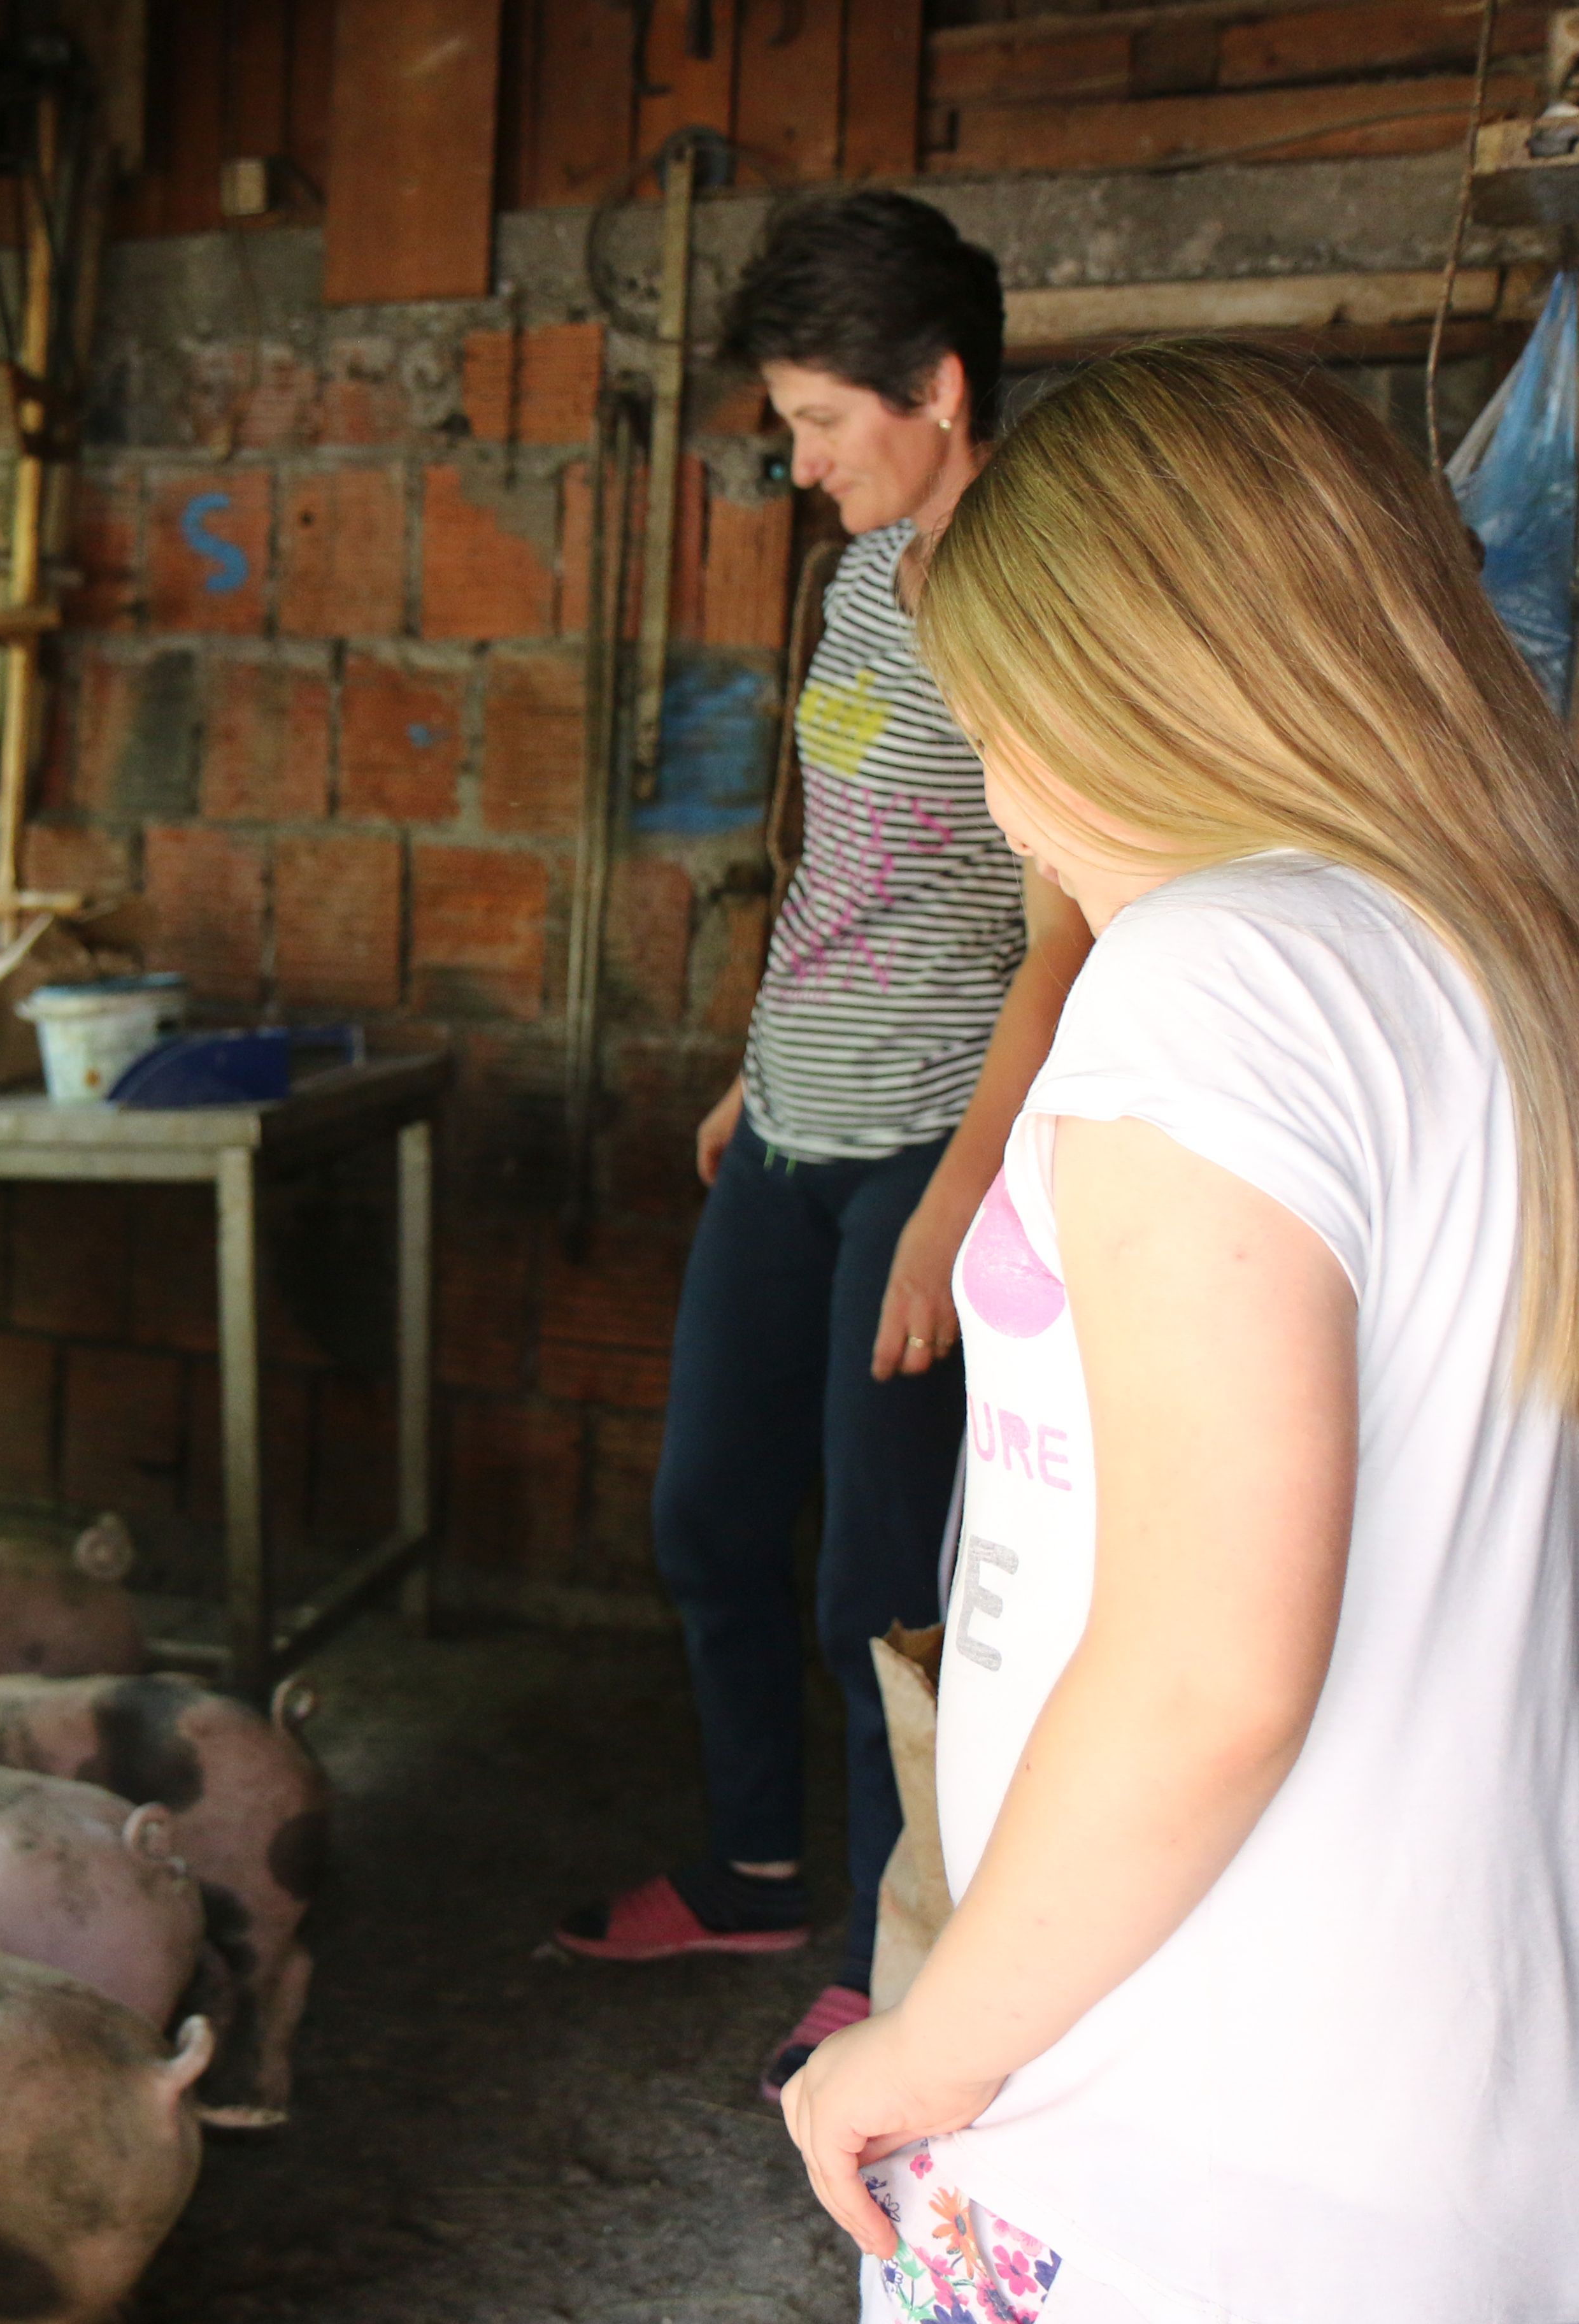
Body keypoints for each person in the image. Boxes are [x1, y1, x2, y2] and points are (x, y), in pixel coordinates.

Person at [783, 339, 1579, 2321]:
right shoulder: (1564, 969)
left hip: (1231, 2140)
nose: (998, 798)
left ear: (1126, 694)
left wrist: (931, 2042)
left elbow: (1209, 1675)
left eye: (996, 724)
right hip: (1560, 2118)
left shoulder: (1215, 981)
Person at [556, 192, 1094, 2104]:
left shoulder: (1039, 604)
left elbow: (1065, 929)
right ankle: (758, 1870)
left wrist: (960, 1202)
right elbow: (837, 864)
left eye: (818, 423)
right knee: (708, 1513)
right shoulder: (864, 584)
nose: (797, 465)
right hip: (792, 1115)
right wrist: (747, 1059)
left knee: (878, 1576)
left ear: (939, 391)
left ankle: (897, 1957)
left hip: (928, 1151)